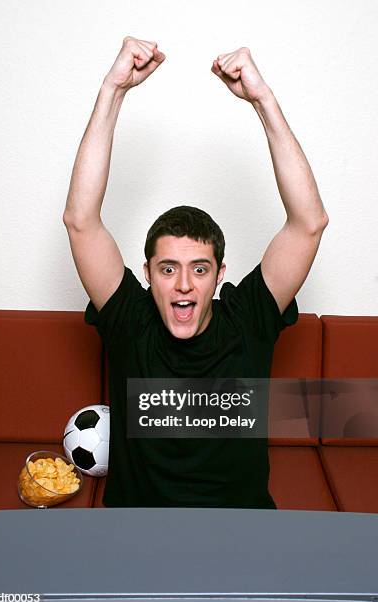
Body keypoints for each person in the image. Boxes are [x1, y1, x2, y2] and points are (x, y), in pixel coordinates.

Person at [63, 36, 329, 508]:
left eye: (199, 269)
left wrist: (263, 101)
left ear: (220, 274)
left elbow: (309, 223)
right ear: (147, 274)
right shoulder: (131, 321)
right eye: (168, 269)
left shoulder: (247, 320)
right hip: (138, 534)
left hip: (241, 535)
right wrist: (113, 90)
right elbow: (81, 221)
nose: (184, 284)